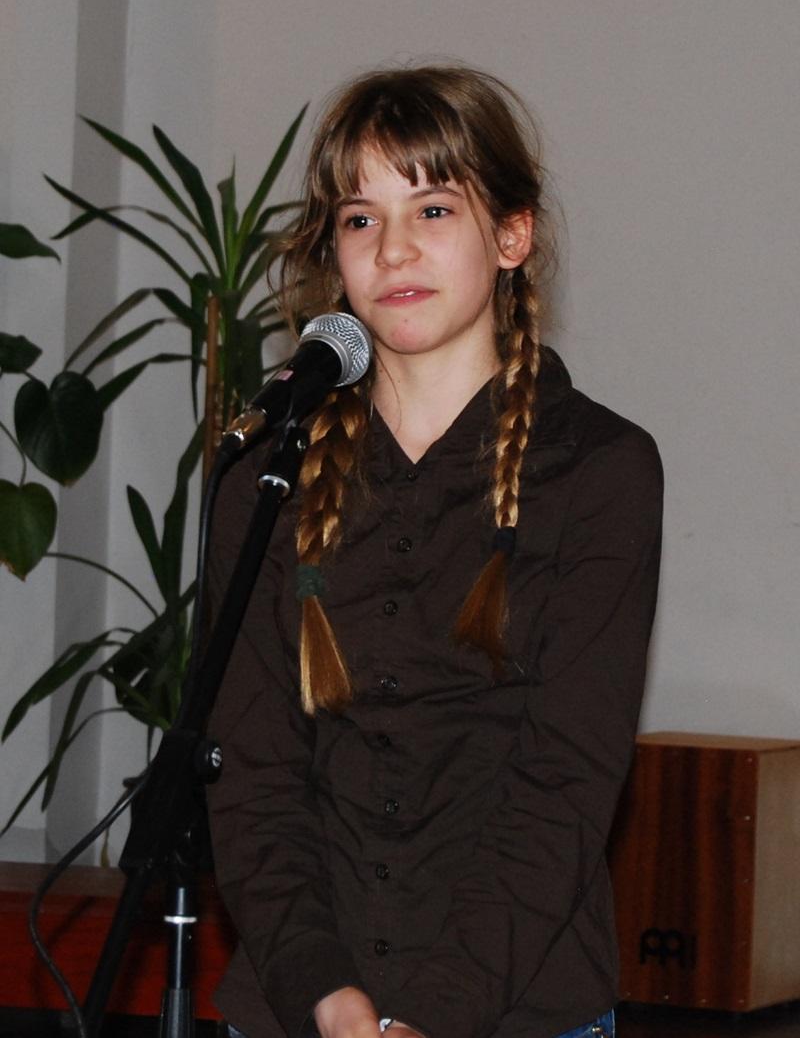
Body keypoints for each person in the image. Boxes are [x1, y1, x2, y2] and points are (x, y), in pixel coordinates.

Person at [206, 64, 663, 1038]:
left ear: (512, 235)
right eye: (360, 217)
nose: (393, 247)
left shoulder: (599, 470)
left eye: (433, 208)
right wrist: (327, 994)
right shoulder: (264, 478)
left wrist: (432, 1016)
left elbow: (565, 786)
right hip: (299, 1008)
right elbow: (251, 777)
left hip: (518, 1010)